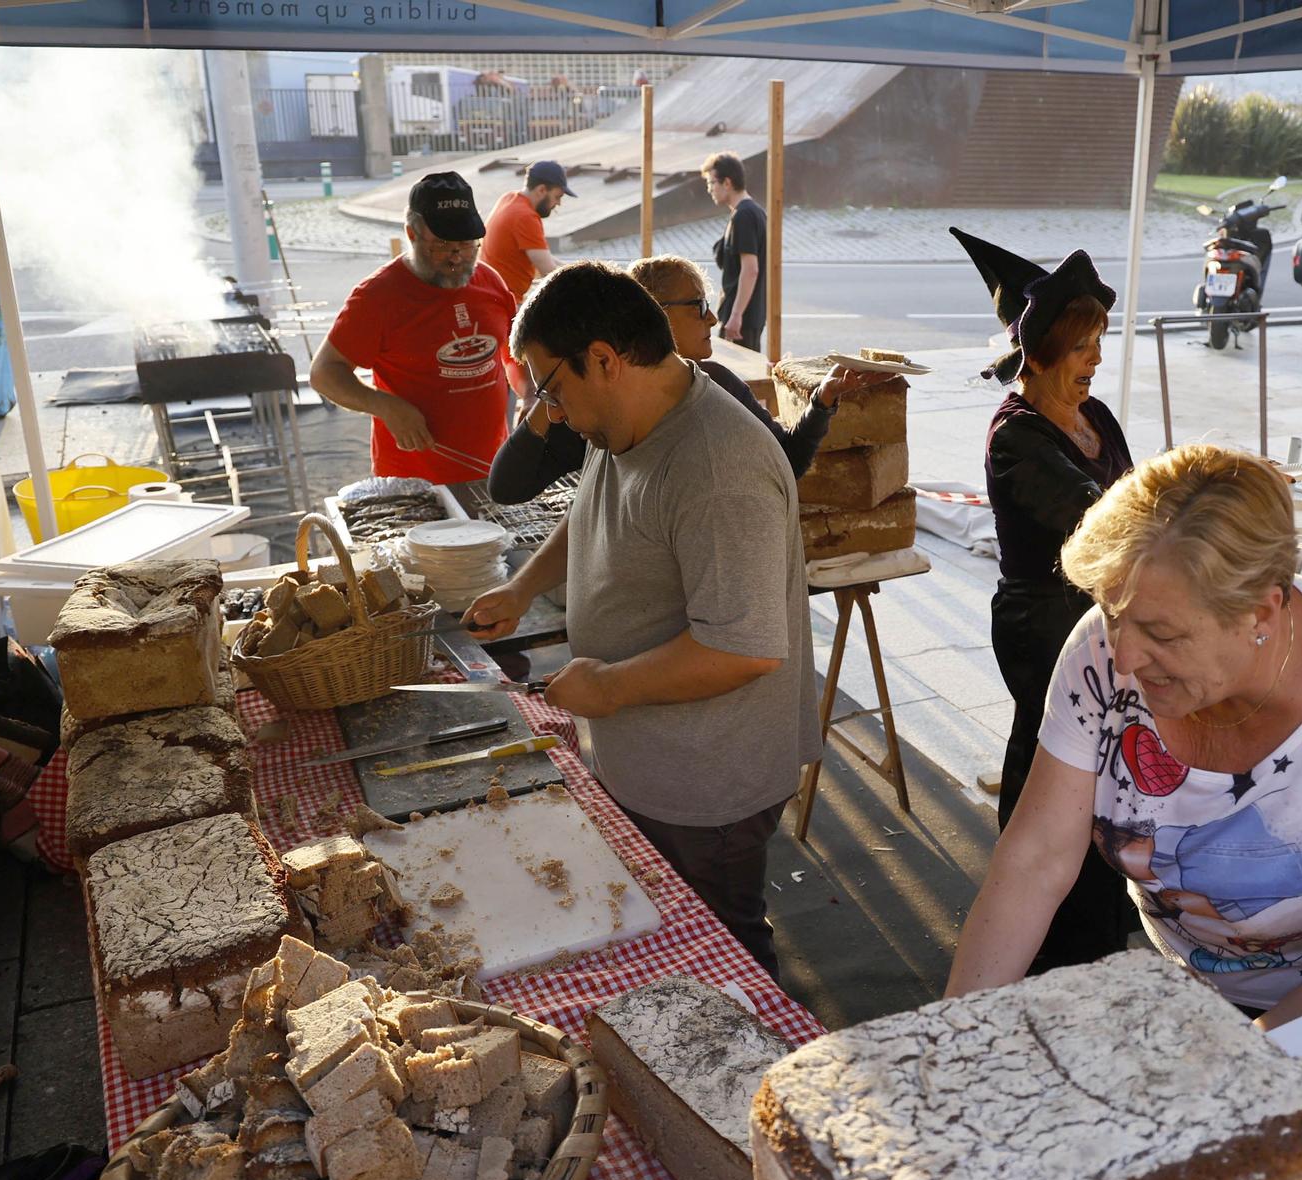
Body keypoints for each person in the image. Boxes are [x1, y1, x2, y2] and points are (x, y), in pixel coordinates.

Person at [946, 445, 1302, 1028]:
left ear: (1262, 613)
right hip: (1188, 983)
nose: (1123, 657)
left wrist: (1217, 1070)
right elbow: (1035, 861)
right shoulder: (1109, 642)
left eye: (1162, 633)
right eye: (1110, 611)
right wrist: (951, 1034)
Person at [466, 263, 819, 980]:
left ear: (604, 357)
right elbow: (590, 511)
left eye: (551, 386)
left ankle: (764, 1075)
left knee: (725, 953)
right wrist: (522, 587)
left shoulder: (717, 468)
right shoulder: (624, 419)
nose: (551, 410)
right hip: (657, 755)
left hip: (710, 777)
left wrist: (612, 687)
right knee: (674, 936)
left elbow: (741, 651)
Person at [952, 229, 1138, 974]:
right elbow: (1105, 516)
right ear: (1040, 352)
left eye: (1099, 342)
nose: (1096, 359)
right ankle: (1046, 936)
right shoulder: (1015, 437)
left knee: (1088, 771)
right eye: (1084, 345)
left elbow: (1134, 488)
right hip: (1042, 625)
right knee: (1050, 760)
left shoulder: (1098, 418)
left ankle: (1087, 920)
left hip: (1095, 619)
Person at [485, 254, 894, 504]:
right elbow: (506, 487)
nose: (712, 318)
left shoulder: (715, 392)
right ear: (652, 312)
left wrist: (820, 404)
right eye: (698, 305)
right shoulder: (595, 404)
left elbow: (785, 458)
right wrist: (554, 389)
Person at [309, 172, 523, 489]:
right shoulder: (377, 297)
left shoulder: (490, 281)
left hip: (490, 469)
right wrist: (385, 406)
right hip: (414, 481)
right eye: (441, 246)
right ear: (412, 233)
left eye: (467, 244)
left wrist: (529, 393)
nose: (457, 257)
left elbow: (512, 354)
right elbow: (324, 372)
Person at [482, 160, 575, 304]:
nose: (559, 203)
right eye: (557, 196)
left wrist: (577, 270)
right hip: (504, 301)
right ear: (542, 190)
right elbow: (549, 272)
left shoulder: (508, 199)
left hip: (489, 291)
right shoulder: (525, 217)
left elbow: (545, 257)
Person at [703, 152, 768, 351]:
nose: (710, 189)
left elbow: (751, 270)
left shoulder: (744, 216)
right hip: (745, 318)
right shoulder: (749, 212)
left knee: (736, 379)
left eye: (712, 182)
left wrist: (736, 316)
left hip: (741, 322)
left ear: (727, 183)